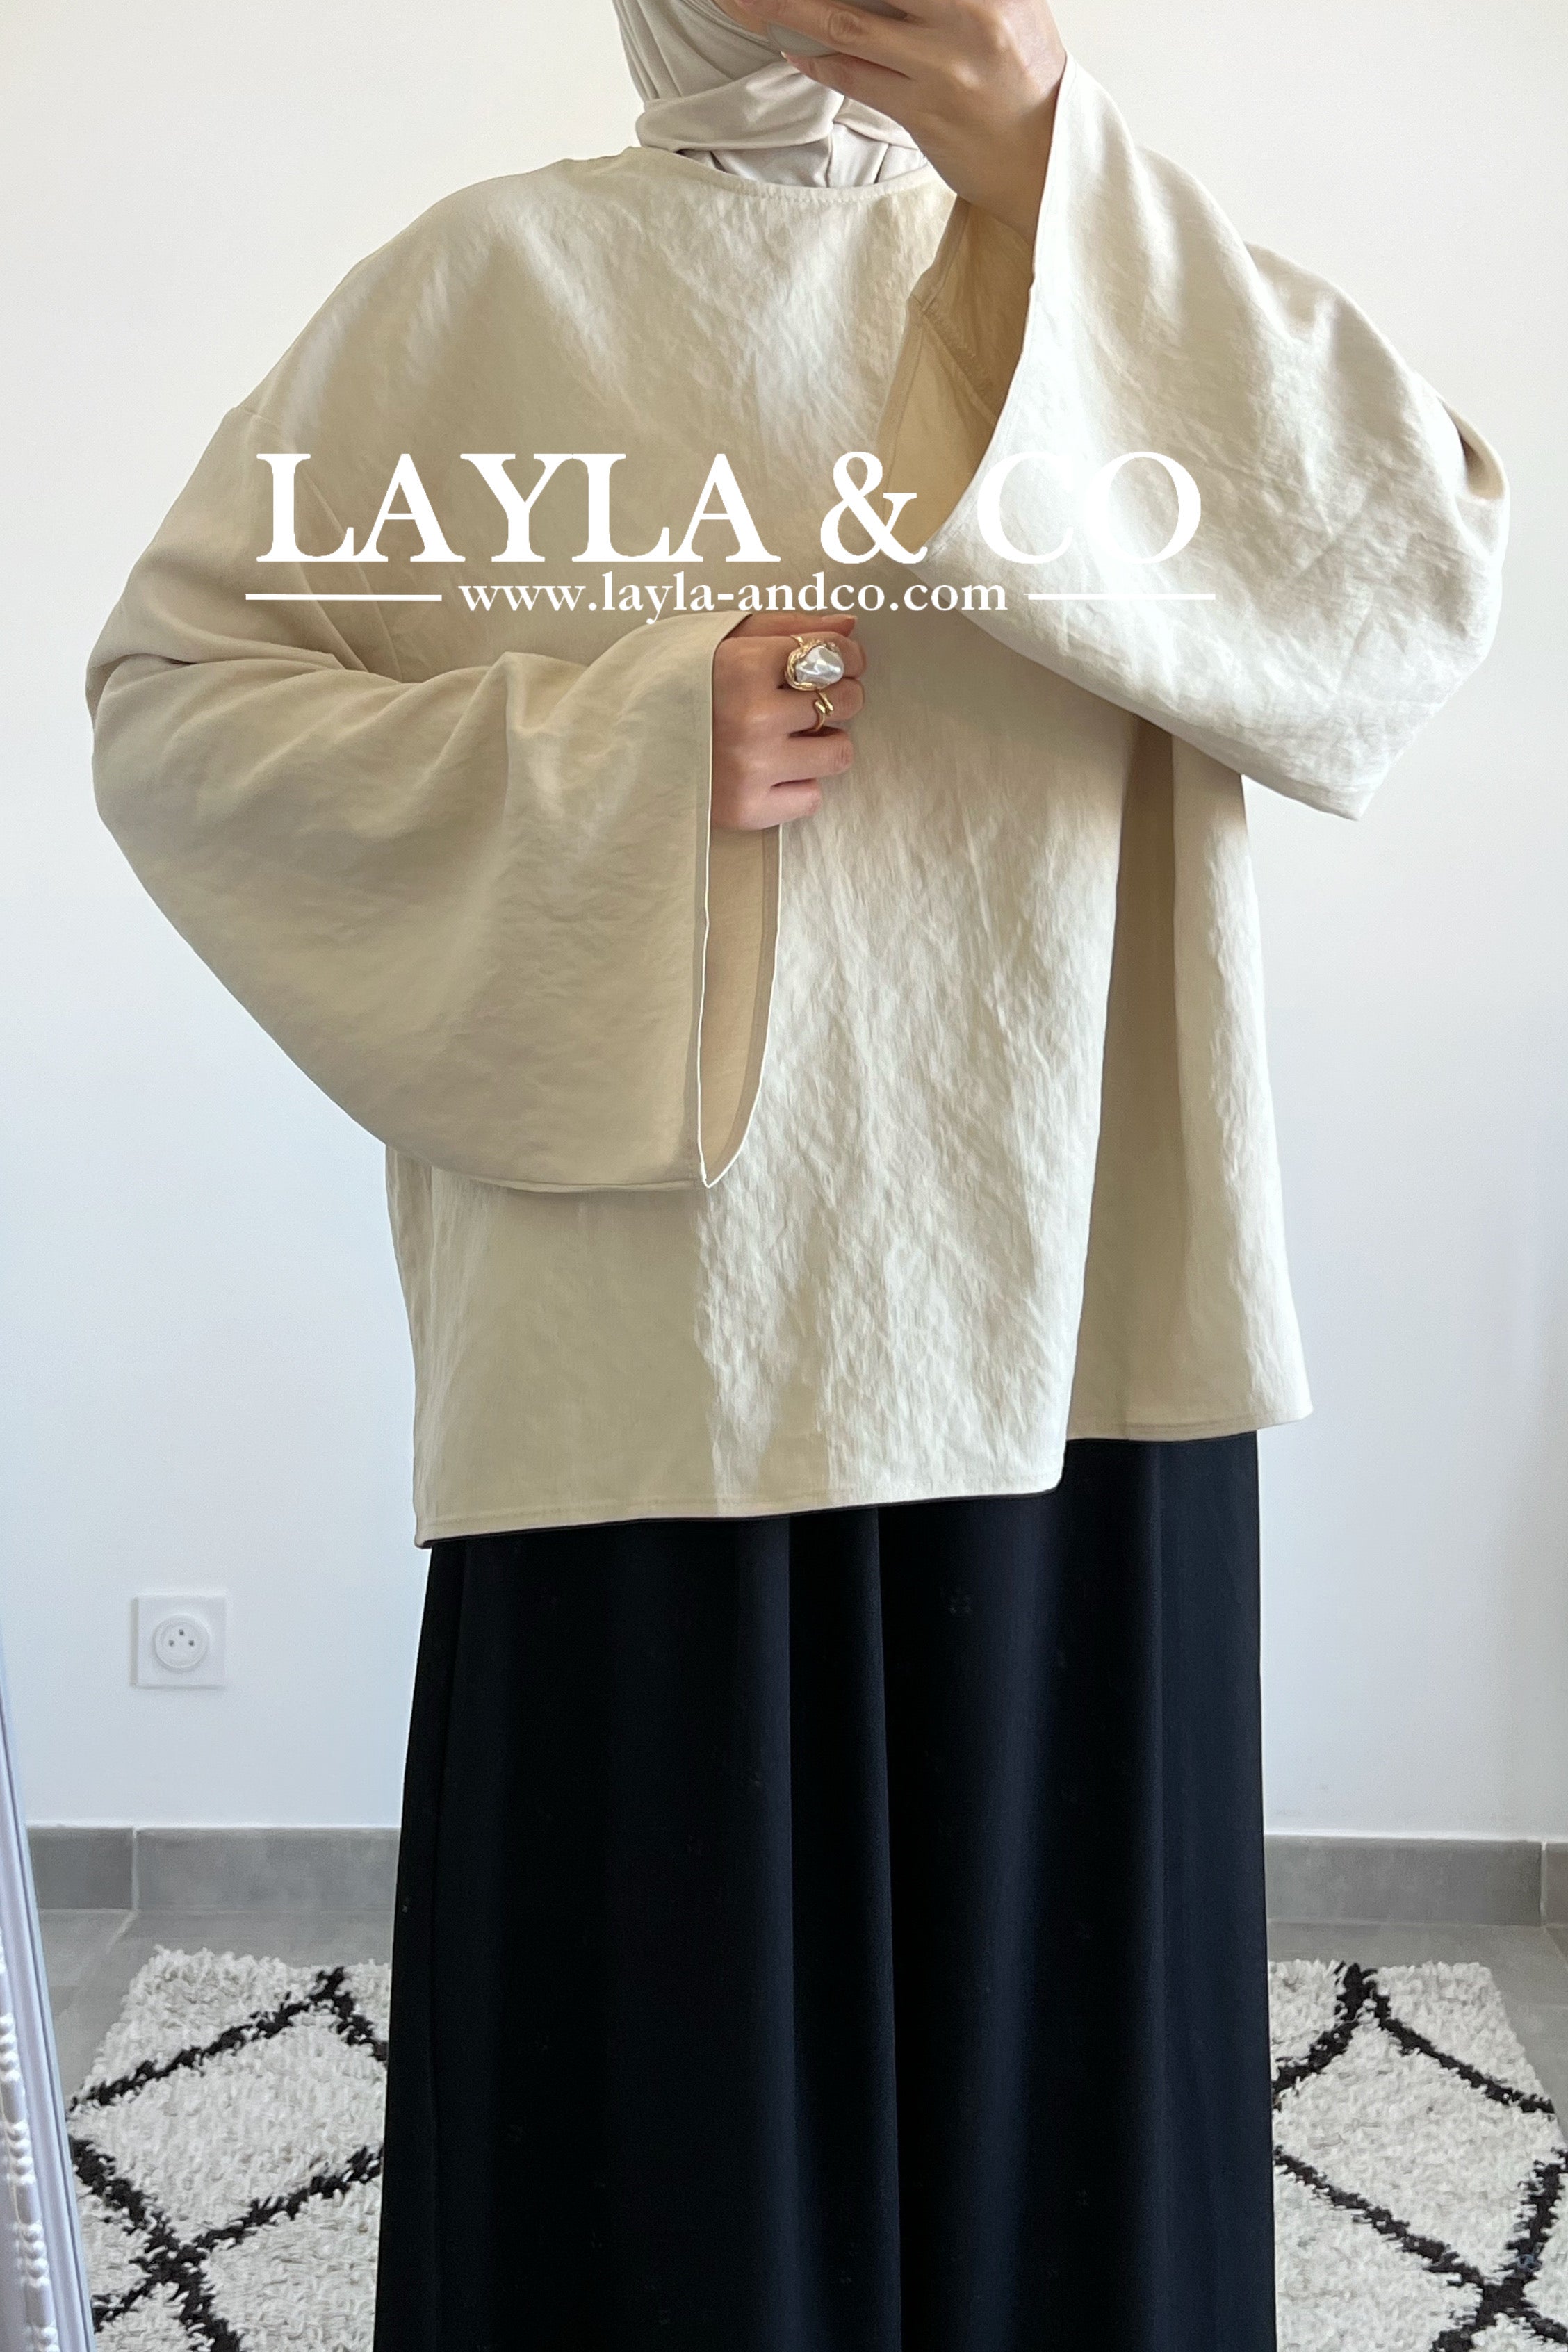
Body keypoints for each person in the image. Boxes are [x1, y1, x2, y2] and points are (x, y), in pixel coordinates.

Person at [84, 0, 1508, 2344]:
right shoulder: (485, 287)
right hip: (663, 1349)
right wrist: (641, 743)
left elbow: (1405, 595)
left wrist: (1044, 148)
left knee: (1057, 2137)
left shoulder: (1111, 264)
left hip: (1069, 1317)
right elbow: (178, 713)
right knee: (665, 2157)